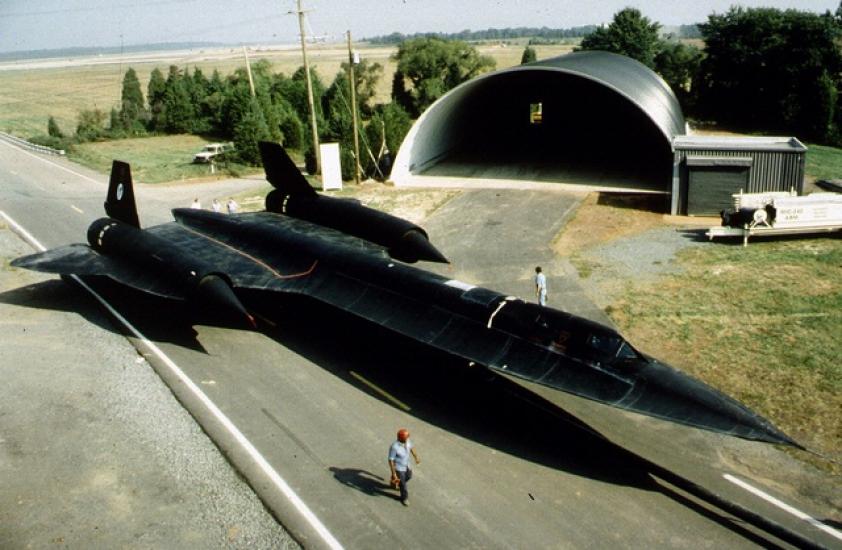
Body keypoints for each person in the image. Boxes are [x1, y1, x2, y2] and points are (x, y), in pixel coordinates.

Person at [388, 428, 420, 506]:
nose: (408, 439)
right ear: (401, 438)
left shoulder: (407, 441)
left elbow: (411, 448)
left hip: (407, 465)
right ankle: (404, 498)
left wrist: (416, 457)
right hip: (399, 467)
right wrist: (394, 473)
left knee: (409, 476)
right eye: (406, 437)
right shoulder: (394, 447)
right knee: (403, 484)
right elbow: (391, 460)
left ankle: (395, 482)